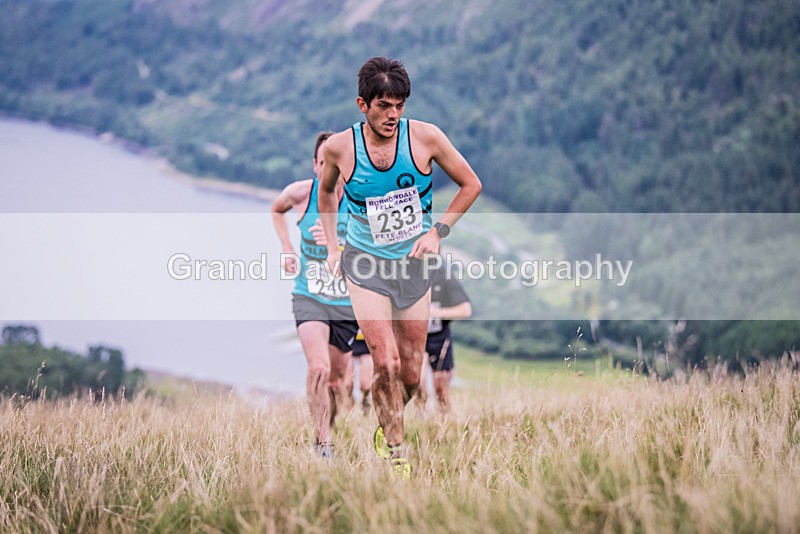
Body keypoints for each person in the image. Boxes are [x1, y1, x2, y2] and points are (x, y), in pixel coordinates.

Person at [318, 57, 482, 478]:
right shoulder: (340, 147)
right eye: (383, 106)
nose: (393, 115)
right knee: (386, 362)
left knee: (410, 372)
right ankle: (395, 450)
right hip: (365, 266)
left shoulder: (425, 138)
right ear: (363, 105)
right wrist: (334, 248)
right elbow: (326, 193)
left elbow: (471, 184)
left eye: (399, 105)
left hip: (413, 267)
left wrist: (438, 232)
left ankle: (387, 417)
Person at [271, 132, 358, 459]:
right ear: (315, 165)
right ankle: (322, 444)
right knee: (319, 368)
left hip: (347, 303)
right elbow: (276, 209)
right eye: (322, 162)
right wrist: (286, 246)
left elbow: (377, 254)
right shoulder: (301, 194)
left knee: (337, 381)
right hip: (310, 296)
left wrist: (339, 244)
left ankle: (326, 430)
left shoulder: (358, 202)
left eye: (333, 162)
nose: (327, 169)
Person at [414, 263, 472, 414]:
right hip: (415, 338)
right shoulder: (406, 275)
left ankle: (444, 421)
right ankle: (420, 416)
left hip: (440, 338)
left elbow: (465, 310)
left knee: (441, 389)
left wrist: (436, 312)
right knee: (418, 383)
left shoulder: (444, 277)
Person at [349, 329, 375, 414]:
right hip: (346, 339)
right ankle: (348, 413)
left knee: (366, 385)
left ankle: (365, 408)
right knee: (347, 385)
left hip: (365, 344)